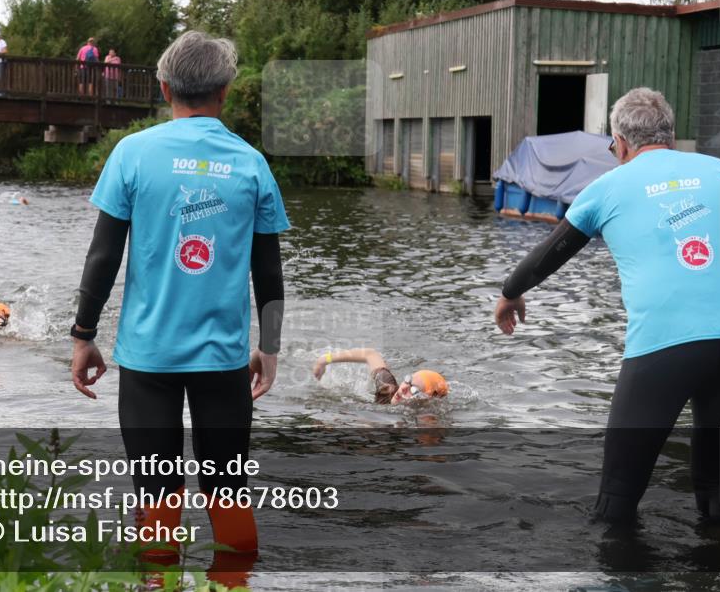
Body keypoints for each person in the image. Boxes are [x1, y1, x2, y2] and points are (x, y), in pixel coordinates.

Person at [495, 87, 720, 525]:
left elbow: (547, 256)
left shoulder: (605, 187)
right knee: (718, 494)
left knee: (616, 501)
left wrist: (510, 292)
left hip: (664, 346)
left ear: (620, 143)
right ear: (669, 134)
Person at [69, 31, 289, 583]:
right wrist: (269, 348)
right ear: (226, 92)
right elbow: (269, 273)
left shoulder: (132, 154)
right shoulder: (251, 163)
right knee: (228, 488)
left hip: (148, 360)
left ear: (164, 87)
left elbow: (103, 257)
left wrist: (83, 335)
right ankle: (233, 584)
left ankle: (157, 581)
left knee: (156, 491)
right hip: (223, 362)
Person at [312, 348, 449, 404]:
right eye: (407, 381)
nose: (403, 389)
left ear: (428, 400)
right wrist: (324, 359)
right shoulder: (388, 389)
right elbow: (370, 355)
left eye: (414, 390)